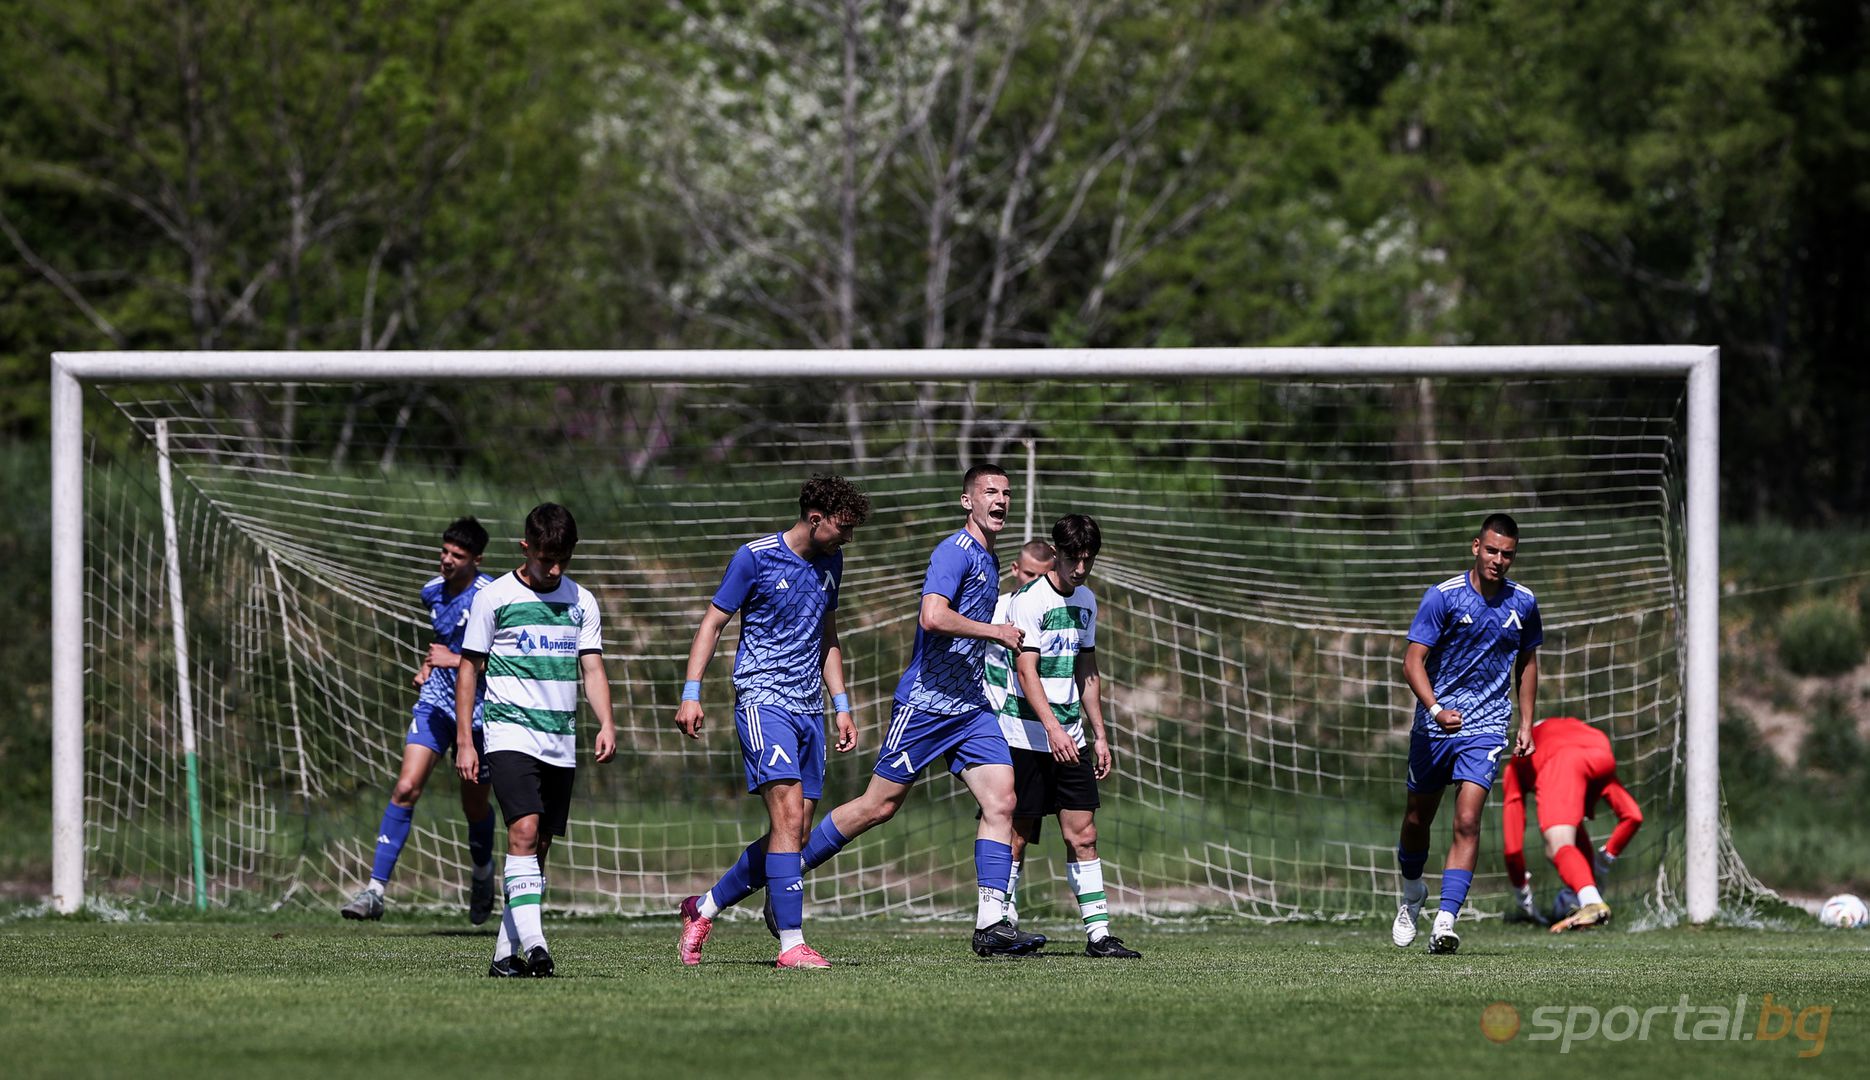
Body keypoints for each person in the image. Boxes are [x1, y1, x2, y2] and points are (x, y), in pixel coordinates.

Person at [771, 464, 1047, 958]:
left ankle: (991, 924)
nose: (1000, 499)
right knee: (878, 806)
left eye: (1005, 492)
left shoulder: (990, 555)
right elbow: (932, 616)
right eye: (989, 491)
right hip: (925, 705)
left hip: (969, 706)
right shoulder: (954, 551)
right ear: (968, 502)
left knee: (1003, 801)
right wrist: (997, 632)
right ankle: (787, 876)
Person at [674, 475, 871, 969]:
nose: (847, 538)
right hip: (763, 701)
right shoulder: (755, 557)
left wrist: (841, 703)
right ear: (814, 518)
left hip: (810, 708)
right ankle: (791, 944)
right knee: (785, 818)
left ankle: (704, 907)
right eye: (842, 528)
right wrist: (691, 694)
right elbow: (712, 622)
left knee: (798, 832)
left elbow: (827, 632)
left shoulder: (833, 562)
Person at [456, 503, 617, 977]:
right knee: (523, 832)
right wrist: (467, 739)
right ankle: (539, 946)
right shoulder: (494, 598)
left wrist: (606, 722)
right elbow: (469, 668)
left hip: (560, 740)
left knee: (538, 846)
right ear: (525, 547)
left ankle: (505, 956)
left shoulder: (581, 601)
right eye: (546, 557)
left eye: (562, 559)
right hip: (508, 732)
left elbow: (591, 667)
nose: (554, 568)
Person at [1392, 513, 1542, 955]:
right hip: (1436, 723)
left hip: (1487, 724)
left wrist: (1527, 722)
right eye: (1492, 550)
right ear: (1476, 547)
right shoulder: (1443, 597)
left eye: (1508, 554)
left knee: (1468, 819)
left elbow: (1528, 662)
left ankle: (1445, 920)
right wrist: (1435, 709)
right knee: (1418, 818)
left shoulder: (1525, 603)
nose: (1499, 560)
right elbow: (1412, 662)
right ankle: (1412, 893)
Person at [340, 517, 498, 922]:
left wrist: (457, 661)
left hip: (480, 713)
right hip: (436, 704)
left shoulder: (492, 597)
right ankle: (375, 891)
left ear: (476, 560)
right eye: (444, 552)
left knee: (474, 806)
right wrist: (430, 668)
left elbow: (507, 659)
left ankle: (482, 873)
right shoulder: (431, 592)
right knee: (406, 787)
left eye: (457, 556)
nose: (446, 561)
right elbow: (443, 644)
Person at [1001, 515, 1140, 958]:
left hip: (1071, 736)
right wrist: (1052, 727)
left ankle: (1099, 935)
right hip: (1025, 734)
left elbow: (1087, 669)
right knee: (1018, 832)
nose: (1081, 568)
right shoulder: (1028, 600)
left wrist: (1098, 734)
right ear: (1056, 554)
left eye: (1088, 559)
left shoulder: (1087, 601)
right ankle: (1003, 924)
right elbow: (1026, 671)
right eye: (1073, 558)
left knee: (1083, 833)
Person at [1500, 715, 1644, 932]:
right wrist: (1603, 862)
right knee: (1570, 835)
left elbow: (1513, 848)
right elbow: (1633, 816)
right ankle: (1587, 888)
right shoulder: (1569, 731)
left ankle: (1590, 901)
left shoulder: (1517, 763)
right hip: (1601, 750)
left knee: (1557, 845)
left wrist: (1523, 896)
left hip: (1562, 760)